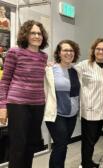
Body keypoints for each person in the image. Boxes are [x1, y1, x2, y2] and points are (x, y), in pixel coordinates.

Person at [0, 20, 48, 168]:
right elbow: (5, 81)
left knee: (31, 145)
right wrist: (2, 106)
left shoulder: (43, 57)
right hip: (17, 105)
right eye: (33, 33)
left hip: (38, 105)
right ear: (25, 35)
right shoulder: (15, 52)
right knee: (18, 146)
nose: (36, 36)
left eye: (39, 33)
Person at [75, 38, 103, 168]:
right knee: (89, 139)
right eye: (98, 48)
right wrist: (55, 65)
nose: (101, 51)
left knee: (95, 137)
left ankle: (87, 161)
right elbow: (68, 70)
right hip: (90, 109)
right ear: (93, 50)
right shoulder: (84, 65)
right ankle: (86, 163)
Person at [44, 40, 80, 168]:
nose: (68, 53)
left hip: (72, 115)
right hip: (56, 114)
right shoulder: (50, 69)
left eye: (71, 50)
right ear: (59, 53)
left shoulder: (76, 71)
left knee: (63, 145)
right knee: (61, 144)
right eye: (65, 50)